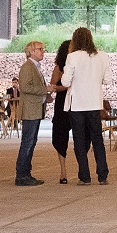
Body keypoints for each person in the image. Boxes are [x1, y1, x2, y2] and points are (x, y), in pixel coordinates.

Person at [60, 27, 111, 185]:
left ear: (75, 40)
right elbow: (107, 80)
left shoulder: (72, 57)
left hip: (77, 105)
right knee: (97, 140)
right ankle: (102, 175)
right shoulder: (102, 56)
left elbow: (65, 82)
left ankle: (85, 176)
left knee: (80, 142)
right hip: (95, 103)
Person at [15, 41, 48, 186]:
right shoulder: (28, 67)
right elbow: (25, 87)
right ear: (32, 51)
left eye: (43, 49)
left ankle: (26, 173)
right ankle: (21, 175)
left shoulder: (35, 67)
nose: (43, 51)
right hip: (30, 110)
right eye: (40, 49)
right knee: (27, 142)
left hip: (35, 109)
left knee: (31, 142)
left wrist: (46, 95)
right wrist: (45, 90)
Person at [49, 40, 71, 183]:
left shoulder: (78, 65)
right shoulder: (59, 67)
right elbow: (53, 85)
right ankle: (63, 170)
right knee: (60, 135)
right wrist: (64, 87)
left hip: (76, 101)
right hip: (62, 103)